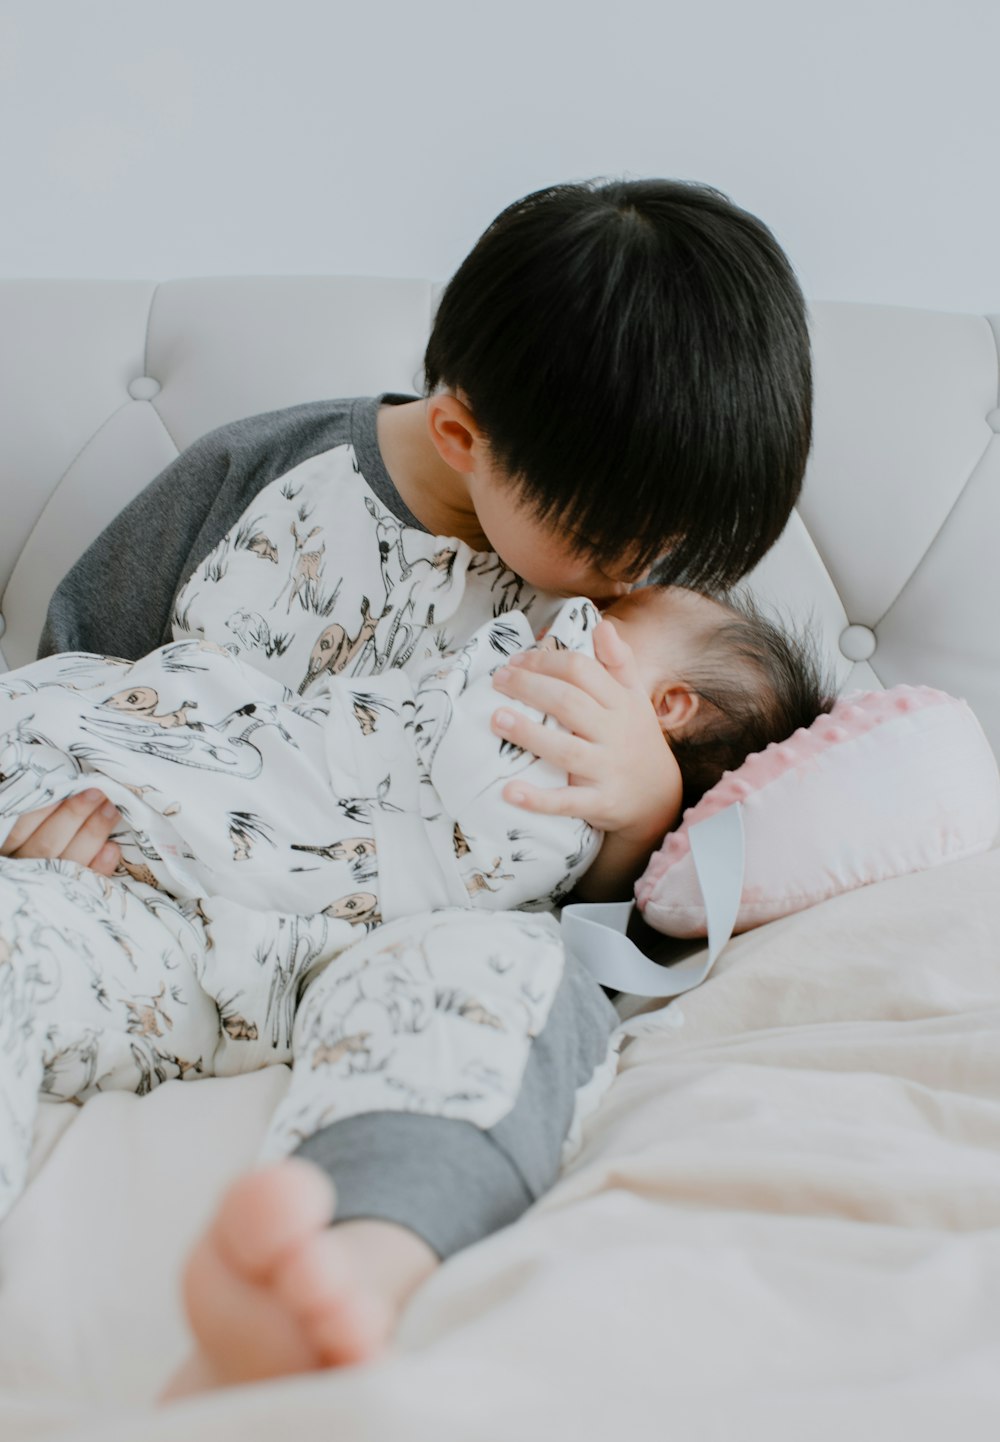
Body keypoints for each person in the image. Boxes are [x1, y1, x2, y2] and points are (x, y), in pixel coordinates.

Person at [0, 584, 830, 1394]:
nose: (562, 620)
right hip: (105, 854)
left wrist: (646, 816)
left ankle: (349, 1273)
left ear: (670, 707)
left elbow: (599, 928)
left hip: (245, 954)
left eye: (608, 622)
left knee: (502, 982)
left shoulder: (548, 762)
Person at [8, 176, 813, 907]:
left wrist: (643, 814)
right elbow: (71, 687)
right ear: (461, 435)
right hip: (153, 896)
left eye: (671, 550)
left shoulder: (636, 633)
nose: (639, 576)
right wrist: (38, 833)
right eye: (609, 544)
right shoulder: (258, 481)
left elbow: (576, 904)